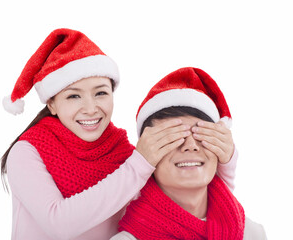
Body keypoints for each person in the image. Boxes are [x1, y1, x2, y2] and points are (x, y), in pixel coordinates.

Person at [1, 29, 238, 240]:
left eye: (101, 93)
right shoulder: (27, 152)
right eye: (74, 96)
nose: (91, 108)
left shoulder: (126, 154)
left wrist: (226, 158)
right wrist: (139, 164)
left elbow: (187, 193)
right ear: (51, 103)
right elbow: (59, 225)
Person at [111, 67, 267, 240]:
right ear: (149, 154)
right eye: (174, 136)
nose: (191, 146)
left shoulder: (252, 234)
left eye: (201, 134)